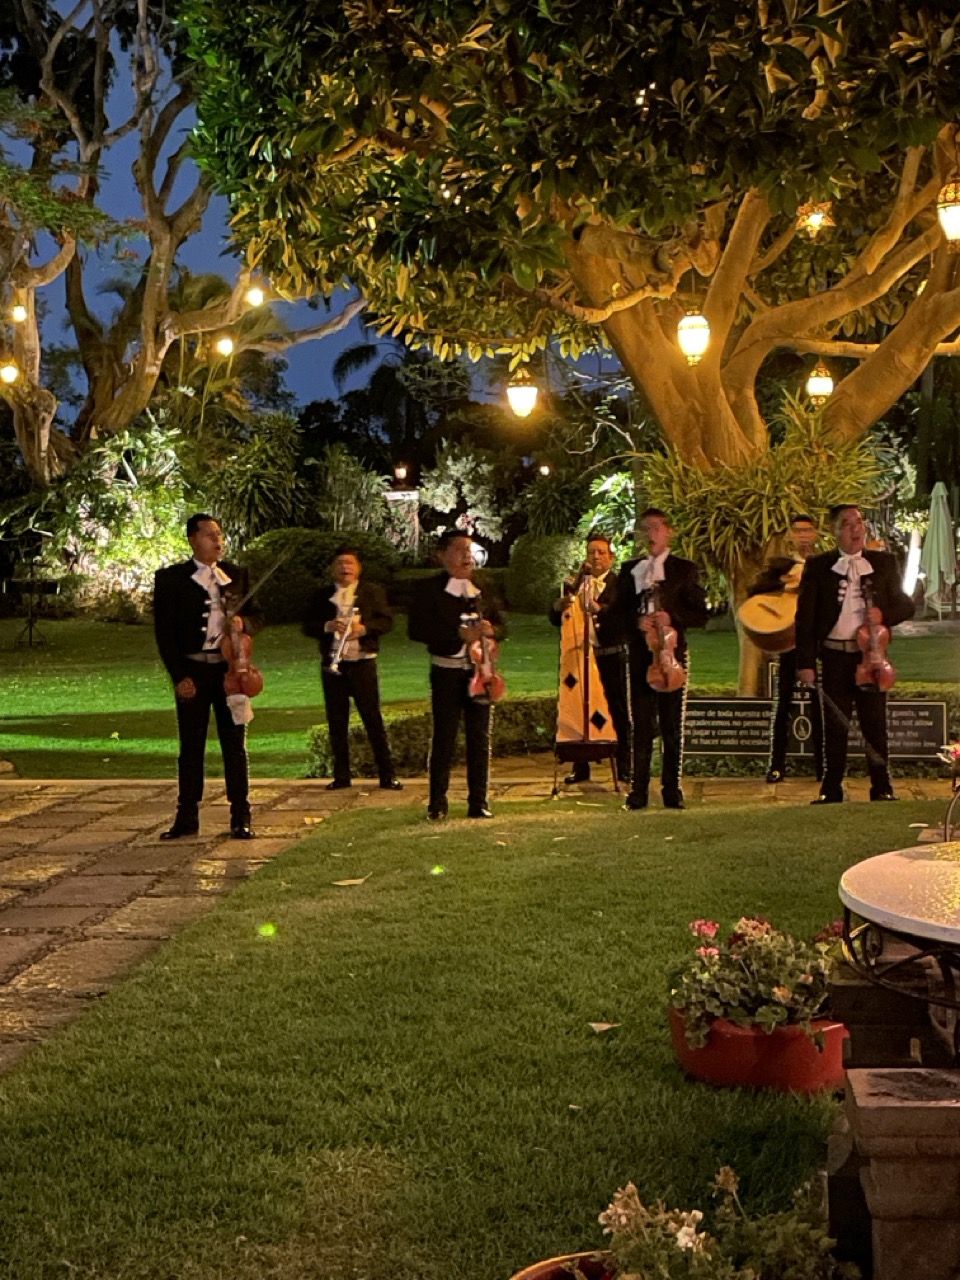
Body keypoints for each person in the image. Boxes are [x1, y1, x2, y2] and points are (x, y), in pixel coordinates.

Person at [796, 503, 915, 804]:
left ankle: (882, 786)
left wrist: (882, 614)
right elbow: (805, 619)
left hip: (871, 656)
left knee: (874, 722)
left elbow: (906, 605)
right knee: (834, 726)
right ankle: (831, 787)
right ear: (834, 531)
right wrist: (806, 662)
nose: (855, 528)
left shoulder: (883, 563)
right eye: (847, 523)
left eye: (859, 521)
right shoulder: (819, 566)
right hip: (835, 656)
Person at [153, 513, 263, 839]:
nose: (218, 540)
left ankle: (240, 816)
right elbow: (165, 634)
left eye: (220, 534)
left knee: (235, 745)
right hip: (194, 671)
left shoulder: (237, 575)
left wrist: (243, 624)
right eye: (210, 535)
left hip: (231, 671)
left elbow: (258, 616)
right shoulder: (171, 579)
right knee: (191, 746)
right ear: (192, 539)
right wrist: (179, 676)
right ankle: (187, 816)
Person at [408, 530, 505, 821]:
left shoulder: (483, 587)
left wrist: (492, 630)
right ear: (442, 555)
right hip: (447, 672)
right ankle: (437, 802)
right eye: (459, 549)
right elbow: (416, 630)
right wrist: (456, 634)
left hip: (481, 672)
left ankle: (479, 800)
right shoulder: (429, 589)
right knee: (444, 738)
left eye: (469, 550)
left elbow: (503, 624)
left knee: (480, 737)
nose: (466, 556)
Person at [615, 508, 707, 810]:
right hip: (642, 655)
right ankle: (638, 790)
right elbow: (615, 614)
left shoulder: (684, 569)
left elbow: (700, 613)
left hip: (671, 656)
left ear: (668, 532)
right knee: (641, 724)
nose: (650, 534)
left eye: (655, 528)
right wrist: (635, 622)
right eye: (645, 529)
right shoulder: (630, 570)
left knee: (671, 724)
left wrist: (673, 617)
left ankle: (672, 789)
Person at [302, 545, 401, 792]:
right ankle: (342, 776)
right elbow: (307, 625)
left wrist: (364, 629)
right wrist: (327, 626)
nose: (345, 568)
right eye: (340, 563)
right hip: (333, 664)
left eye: (350, 563)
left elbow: (387, 621)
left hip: (363, 663)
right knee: (337, 721)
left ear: (358, 568)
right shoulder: (321, 595)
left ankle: (387, 774)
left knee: (372, 719)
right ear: (332, 569)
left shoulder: (372, 592)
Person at [746, 513, 824, 784]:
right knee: (783, 705)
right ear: (791, 535)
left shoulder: (825, 564)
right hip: (788, 642)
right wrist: (784, 582)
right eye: (798, 531)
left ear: (815, 535)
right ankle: (776, 765)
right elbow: (754, 590)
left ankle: (823, 766)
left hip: (816, 643)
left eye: (808, 530)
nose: (803, 535)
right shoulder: (782, 565)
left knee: (820, 706)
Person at [549, 531, 631, 784]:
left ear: (611, 557)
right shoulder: (574, 585)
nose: (595, 557)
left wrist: (600, 610)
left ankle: (624, 765)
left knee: (617, 710)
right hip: (581, 658)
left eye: (601, 553)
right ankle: (580, 767)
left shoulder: (621, 585)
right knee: (579, 708)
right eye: (591, 552)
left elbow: (624, 619)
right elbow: (556, 620)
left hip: (610, 657)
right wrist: (557, 607)